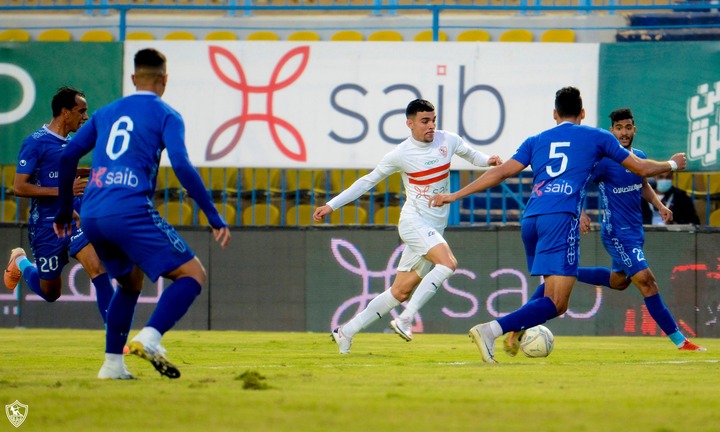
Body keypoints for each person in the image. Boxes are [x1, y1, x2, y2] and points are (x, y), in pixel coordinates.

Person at [428, 87, 687, 363]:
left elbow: (501, 172)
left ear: (555, 114)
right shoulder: (597, 136)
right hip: (559, 219)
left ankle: (512, 330)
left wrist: (454, 195)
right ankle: (492, 330)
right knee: (557, 303)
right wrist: (673, 163)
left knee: (552, 295)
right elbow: (641, 169)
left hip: (531, 220)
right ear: (583, 113)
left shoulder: (536, 140)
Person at [54, 48, 231, 379]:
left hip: (92, 212)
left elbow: (67, 158)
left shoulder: (106, 112)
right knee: (192, 275)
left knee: (130, 283)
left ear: (134, 79)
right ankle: (150, 338)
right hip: (128, 208)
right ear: (164, 80)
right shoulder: (167, 115)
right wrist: (212, 214)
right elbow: (181, 164)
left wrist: (65, 211)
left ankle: (112, 366)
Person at [313, 98, 502, 354]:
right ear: (409, 124)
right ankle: (405, 318)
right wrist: (332, 205)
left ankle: (345, 332)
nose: (431, 126)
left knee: (400, 291)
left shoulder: (448, 140)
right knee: (447, 264)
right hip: (414, 223)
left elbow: (472, 156)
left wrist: (489, 160)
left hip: (435, 226)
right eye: (425, 121)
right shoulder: (400, 154)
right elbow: (367, 182)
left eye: (433, 120)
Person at [516, 108, 705, 355]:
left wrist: (659, 206)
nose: (624, 133)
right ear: (612, 130)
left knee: (619, 282)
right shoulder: (604, 162)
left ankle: (563, 273)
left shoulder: (639, 158)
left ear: (634, 129)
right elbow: (576, 182)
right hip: (616, 233)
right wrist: (580, 212)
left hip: (634, 232)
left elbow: (643, 183)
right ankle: (681, 341)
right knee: (647, 282)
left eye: (628, 127)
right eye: (619, 128)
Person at [4, 87, 114, 325]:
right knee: (51, 293)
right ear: (65, 113)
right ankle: (21, 261)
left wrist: (98, 172)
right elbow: (19, 187)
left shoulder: (69, 143)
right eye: (81, 111)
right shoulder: (35, 143)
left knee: (97, 268)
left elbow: (63, 172)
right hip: (46, 224)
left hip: (73, 216)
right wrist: (63, 190)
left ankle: (116, 339)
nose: (85, 116)